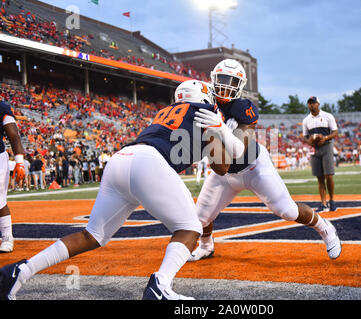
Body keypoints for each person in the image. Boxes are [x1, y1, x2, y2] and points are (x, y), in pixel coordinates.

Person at [0, 79, 233, 300]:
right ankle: (161, 285)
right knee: (190, 228)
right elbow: (222, 167)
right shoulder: (206, 113)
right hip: (149, 163)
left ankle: (20, 271)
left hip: (121, 158)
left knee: (91, 235)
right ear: (204, 97)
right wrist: (220, 132)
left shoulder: (165, 113)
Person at [188, 59, 341, 262]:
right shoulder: (204, 104)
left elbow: (238, 149)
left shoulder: (243, 107)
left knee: (287, 211)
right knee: (200, 219)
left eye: (231, 81)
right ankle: (206, 246)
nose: (225, 86)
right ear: (213, 80)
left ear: (240, 86)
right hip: (223, 173)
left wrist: (220, 127)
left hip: (254, 167)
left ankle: (325, 227)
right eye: (222, 79)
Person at [302, 96, 339, 213]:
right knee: (319, 177)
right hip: (315, 148)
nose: (311, 105)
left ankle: (332, 200)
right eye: (309, 103)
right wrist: (310, 142)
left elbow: (335, 132)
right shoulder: (306, 120)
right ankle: (323, 203)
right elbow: (305, 136)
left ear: (318, 104)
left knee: (329, 175)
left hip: (327, 145)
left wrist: (325, 137)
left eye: (313, 103)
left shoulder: (328, 116)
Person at [0, 101, 26, 253]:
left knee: (0, 200)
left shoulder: (2, 107)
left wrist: (20, 162)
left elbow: (13, 134)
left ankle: (7, 236)